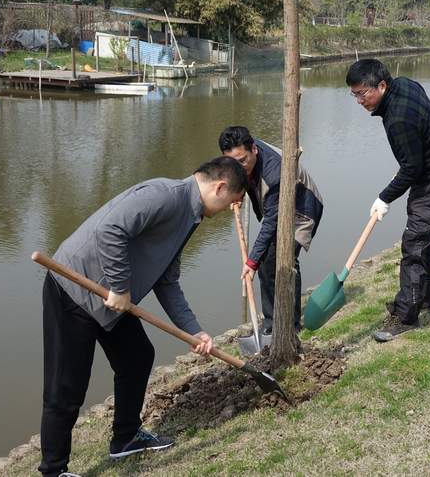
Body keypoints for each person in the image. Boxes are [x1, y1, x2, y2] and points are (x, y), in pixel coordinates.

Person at [38, 157, 247, 477]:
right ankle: (53, 470)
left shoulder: (190, 217)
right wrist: (121, 287)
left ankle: (125, 438)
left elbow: (167, 281)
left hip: (111, 300)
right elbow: (110, 229)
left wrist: (195, 331)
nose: (224, 211)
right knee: (66, 387)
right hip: (75, 290)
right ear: (219, 187)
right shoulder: (165, 195)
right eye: (230, 202)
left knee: (137, 356)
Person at [346, 59, 430, 342]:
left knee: (415, 244)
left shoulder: (397, 118)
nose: (359, 101)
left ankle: (406, 316)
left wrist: (384, 197)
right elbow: (414, 160)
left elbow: (412, 168)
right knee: (423, 240)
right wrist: (413, 157)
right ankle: (423, 297)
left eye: (363, 94)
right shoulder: (406, 84)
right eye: (354, 95)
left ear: (382, 86)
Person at [219, 126, 323, 334]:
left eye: (241, 161)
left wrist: (251, 261)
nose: (237, 167)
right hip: (277, 206)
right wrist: (237, 193)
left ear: (254, 150)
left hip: (301, 210)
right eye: (232, 163)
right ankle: (271, 324)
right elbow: (244, 176)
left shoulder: (275, 174)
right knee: (267, 264)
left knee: (283, 261)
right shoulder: (240, 153)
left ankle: (291, 325)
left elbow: (270, 224)